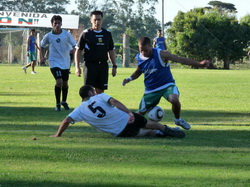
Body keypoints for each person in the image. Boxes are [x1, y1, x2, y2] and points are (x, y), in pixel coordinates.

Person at [122, 37, 210, 130]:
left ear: (151, 46)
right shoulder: (139, 57)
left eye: (146, 50)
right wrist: (129, 78)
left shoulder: (162, 54)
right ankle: (123, 125)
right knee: (139, 114)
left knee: (174, 99)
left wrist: (200, 64)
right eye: (141, 50)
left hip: (166, 85)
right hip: (151, 90)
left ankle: (178, 120)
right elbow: (139, 71)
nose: (144, 53)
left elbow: (180, 60)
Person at [51, 85, 185, 138]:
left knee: (145, 132)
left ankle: (160, 134)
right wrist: (129, 112)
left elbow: (66, 120)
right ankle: (166, 129)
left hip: (120, 131)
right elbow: (114, 102)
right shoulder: (99, 96)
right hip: (127, 118)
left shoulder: (79, 110)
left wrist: (57, 134)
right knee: (150, 123)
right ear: (91, 92)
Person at [75, 10, 117, 94]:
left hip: (103, 65)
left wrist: (114, 66)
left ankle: (98, 106)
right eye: (95, 20)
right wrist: (77, 67)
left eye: (99, 19)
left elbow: (111, 50)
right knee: (88, 91)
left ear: (102, 20)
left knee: (101, 91)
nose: (96, 22)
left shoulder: (107, 34)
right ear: (91, 20)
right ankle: (87, 107)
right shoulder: (86, 34)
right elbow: (78, 50)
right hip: (89, 65)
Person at [40, 15, 76, 111]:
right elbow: (42, 46)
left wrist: (73, 50)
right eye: (55, 23)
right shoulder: (48, 36)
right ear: (52, 24)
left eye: (58, 23)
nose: (57, 25)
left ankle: (64, 101)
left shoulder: (66, 35)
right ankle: (57, 104)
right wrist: (42, 57)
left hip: (65, 62)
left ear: (61, 24)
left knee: (65, 84)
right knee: (59, 81)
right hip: (54, 62)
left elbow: (75, 45)